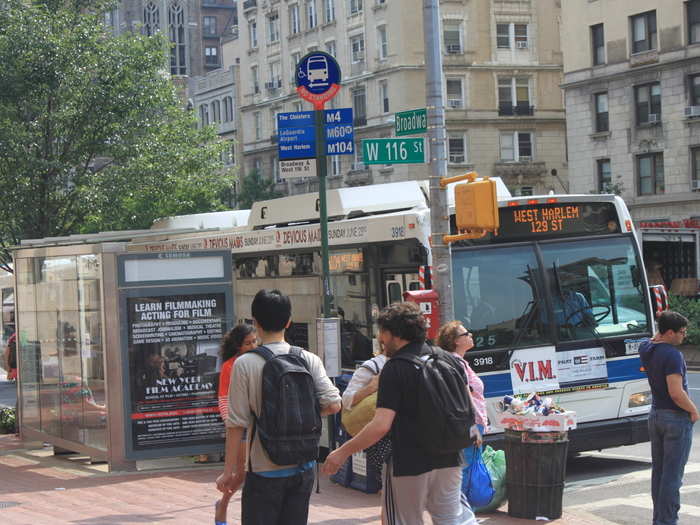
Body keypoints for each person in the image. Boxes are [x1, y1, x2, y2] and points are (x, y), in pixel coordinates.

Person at [323, 302, 480, 525]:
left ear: (391, 334)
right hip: (450, 456)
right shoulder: (447, 359)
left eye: (381, 333)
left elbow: (381, 425)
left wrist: (342, 452)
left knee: (404, 521)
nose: (380, 340)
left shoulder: (395, 368)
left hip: (410, 461)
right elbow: (468, 404)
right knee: (451, 519)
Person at [216, 289, 341, 525]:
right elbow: (334, 404)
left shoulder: (245, 364)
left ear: (255, 322)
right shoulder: (308, 358)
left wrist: (229, 471)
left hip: (264, 468)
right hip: (303, 467)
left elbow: (236, 424)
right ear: (288, 322)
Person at [639, 311, 698, 525]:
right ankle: (667, 521)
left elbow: (653, 337)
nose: (684, 336)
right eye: (681, 332)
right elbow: (676, 392)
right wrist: (693, 410)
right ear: (670, 332)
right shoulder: (673, 355)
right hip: (675, 418)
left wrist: (661, 327)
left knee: (660, 473)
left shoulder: (646, 348)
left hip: (655, 416)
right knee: (672, 477)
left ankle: (660, 519)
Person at [210, 323, 257, 525]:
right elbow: (223, 398)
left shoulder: (257, 359)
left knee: (248, 473)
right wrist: (232, 424)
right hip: (240, 424)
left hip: (258, 423)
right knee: (242, 473)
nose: (253, 346)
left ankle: (223, 506)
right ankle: (223, 505)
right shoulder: (230, 366)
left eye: (255, 341)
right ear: (238, 345)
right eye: (248, 343)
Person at [437, 321, 488, 464]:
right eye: (466, 334)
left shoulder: (459, 362)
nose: (471, 335)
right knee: (469, 468)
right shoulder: (456, 363)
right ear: (455, 341)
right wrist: (473, 428)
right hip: (469, 425)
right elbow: (464, 397)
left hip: (470, 424)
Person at [342, 346, 390, 489]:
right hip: (381, 438)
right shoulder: (372, 366)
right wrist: (372, 387)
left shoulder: (411, 363)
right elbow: (346, 400)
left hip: (402, 435)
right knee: (389, 487)